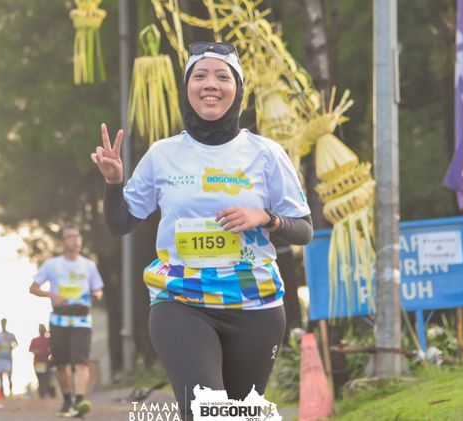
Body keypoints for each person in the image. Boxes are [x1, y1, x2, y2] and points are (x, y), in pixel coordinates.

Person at [92, 41, 313, 420]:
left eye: (222, 76)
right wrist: (114, 184)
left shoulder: (266, 153)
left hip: (255, 304)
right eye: (200, 76)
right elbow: (121, 223)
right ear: (187, 87)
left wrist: (265, 218)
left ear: (237, 89)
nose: (210, 84)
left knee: (241, 416)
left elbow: (304, 230)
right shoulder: (162, 154)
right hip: (181, 301)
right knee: (205, 412)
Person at [29, 222, 104, 418]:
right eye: (70, 236)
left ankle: (80, 401)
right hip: (59, 320)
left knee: (81, 362)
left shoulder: (88, 265)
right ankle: (67, 400)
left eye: (77, 236)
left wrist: (96, 294)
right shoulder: (52, 265)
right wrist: (51, 295)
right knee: (61, 364)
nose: (75, 240)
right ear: (62, 242)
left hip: (82, 320)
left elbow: (98, 289)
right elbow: (33, 288)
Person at [0, 318, 18, 397]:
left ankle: (10, 392)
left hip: (8, 358)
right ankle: (2, 393)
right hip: (0, 358)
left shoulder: (10, 335)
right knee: (0, 377)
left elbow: (16, 343)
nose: (3, 324)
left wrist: (11, 347)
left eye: (4, 323)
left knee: (9, 376)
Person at [29, 323, 53, 398]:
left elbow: (52, 350)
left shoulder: (48, 340)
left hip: (46, 362)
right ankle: (41, 394)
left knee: (46, 378)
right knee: (40, 378)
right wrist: (36, 351)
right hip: (38, 363)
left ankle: (45, 393)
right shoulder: (35, 340)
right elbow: (31, 349)